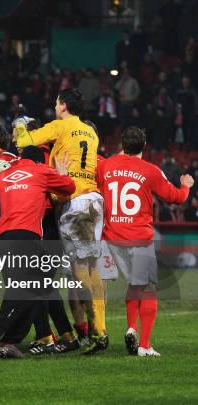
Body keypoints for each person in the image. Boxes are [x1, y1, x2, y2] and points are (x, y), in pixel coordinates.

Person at [15, 88, 108, 355]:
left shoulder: (59, 125)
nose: (55, 106)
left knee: (80, 272)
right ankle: (99, 331)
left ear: (64, 105)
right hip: (93, 201)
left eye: (56, 102)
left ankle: (98, 332)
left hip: (74, 201)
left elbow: (25, 140)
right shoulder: (90, 132)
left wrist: (21, 125)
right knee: (90, 269)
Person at [97, 126, 193, 357]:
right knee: (149, 288)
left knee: (135, 284)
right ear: (144, 146)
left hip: (111, 239)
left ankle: (131, 328)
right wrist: (186, 186)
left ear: (122, 144)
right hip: (138, 238)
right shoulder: (150, 170)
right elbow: (175, 198)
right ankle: (145, 345)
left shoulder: (105, 166)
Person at [0, 146, 75, 359]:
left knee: (34, 290)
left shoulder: (4, 176)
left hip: (3, 237)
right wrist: (62, 173)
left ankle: (9, 342)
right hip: (26, 236)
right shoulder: (41, 171)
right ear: (40, 161)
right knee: (22, 291)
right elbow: (69, 187)